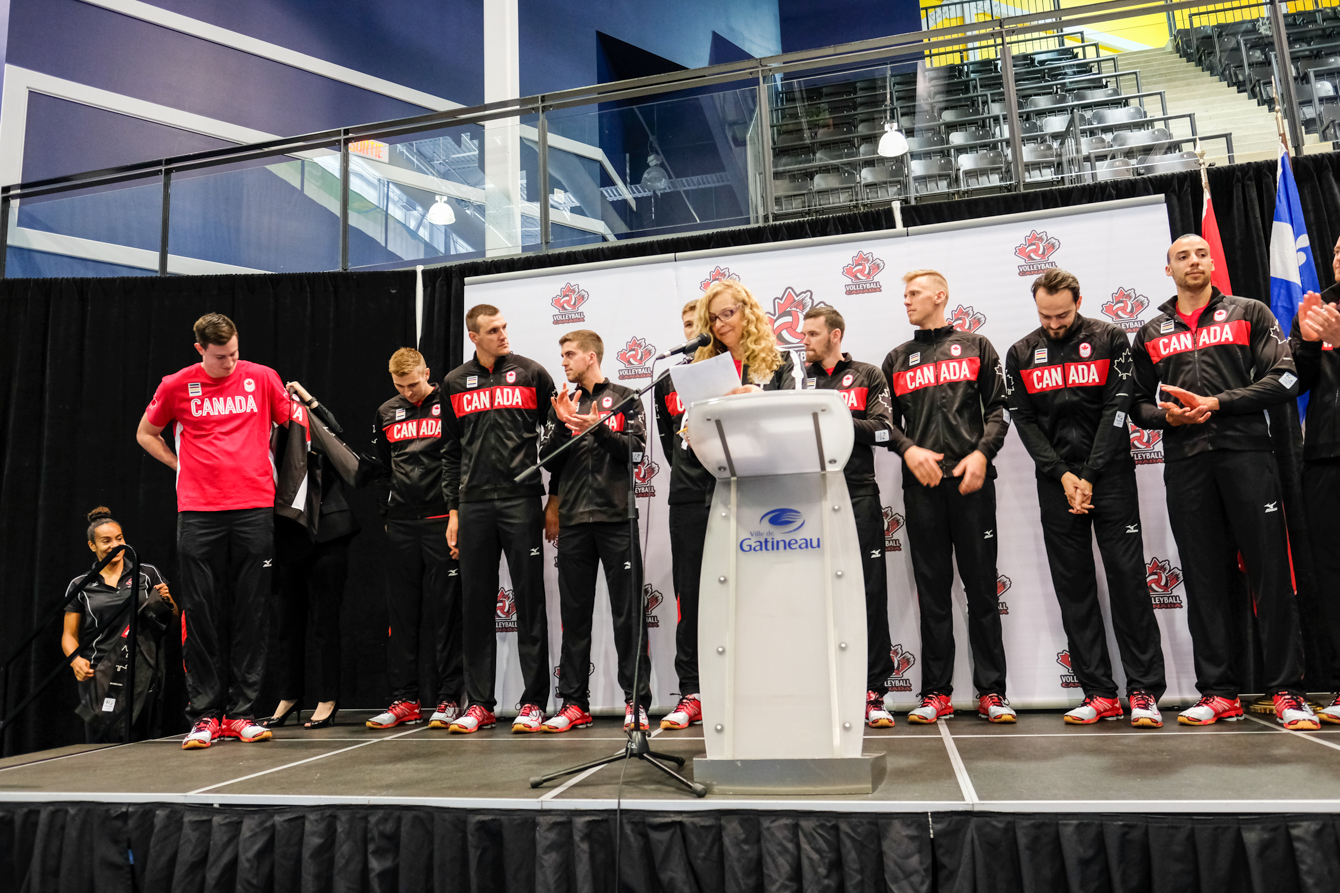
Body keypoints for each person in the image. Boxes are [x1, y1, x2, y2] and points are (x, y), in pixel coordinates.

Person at [1130, 234, 1317, 730]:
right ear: (1167, 269)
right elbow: (1134, 404)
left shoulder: (1250, 312)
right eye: (1181, 256)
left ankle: (1287, 692)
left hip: (1248, 456)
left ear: (1213, 261)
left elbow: (1286, 378)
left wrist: (1216, 403)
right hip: (1186, 464)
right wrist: (1168, 417)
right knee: (1203, 577)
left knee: (1271, 574)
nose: (1193, 261)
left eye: (1200, 254)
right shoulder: (1150, 329)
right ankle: (1218, 693)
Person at [1005, 268, 1166, 728]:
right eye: (1045, 316)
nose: (1054, 324)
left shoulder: (1111, 337)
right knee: (1073, 589)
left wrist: (1090, 474)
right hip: (1057, 485)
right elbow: (1025, 422)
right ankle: (1099, 694)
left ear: (1078, 301)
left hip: (1110, 476)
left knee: (1129, 582)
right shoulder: (1020, 352)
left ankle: (1144, 693)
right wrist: (1062, 475)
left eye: (1062, 315)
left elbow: (1119, 409)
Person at [136, 312, 289, 749]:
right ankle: (205, 715)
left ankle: (242, 714)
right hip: (199, 512)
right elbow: (146, 433)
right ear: (200, 349)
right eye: (221, 356)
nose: (230, 362)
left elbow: (292, 426)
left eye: (235, 353)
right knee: (201, 615)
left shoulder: (261, 377)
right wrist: (179, 464)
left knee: (252, 612)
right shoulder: (176, 384)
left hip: (254, 508)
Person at [881, 270, 1015, 724]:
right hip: (922, 490)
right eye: (904, 295)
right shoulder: (896, 359)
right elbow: (884, 423)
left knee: (981, 590)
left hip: (972, 484)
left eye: (914, 294)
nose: (907, 301)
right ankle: (936, 693)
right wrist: (908, 448)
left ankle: (991, 692)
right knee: (933, 593)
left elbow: (1000, 408)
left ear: (940, 296)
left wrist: (982, 454)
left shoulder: (977, 346)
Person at [443, 305, 557, 733]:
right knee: (475, 606)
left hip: (521, 500)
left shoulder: (531, 374)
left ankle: (533, 702)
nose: (504, 335)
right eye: (494, 330)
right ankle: (480, 704)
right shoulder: (454, 382)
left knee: (529, 602)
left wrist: (556, 497)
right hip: (473, 506)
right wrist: (453, 509)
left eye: (505, 327)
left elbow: (561, 435)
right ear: (475, 336)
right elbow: (450, 453)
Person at [538, 330, 653, 732]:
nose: (564, 361)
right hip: (573, 521)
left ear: (591, 356)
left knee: (628, 616)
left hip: (616, 518)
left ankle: (635, 702)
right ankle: (574, 703)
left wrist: (599, 429)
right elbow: (547, 461)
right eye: (562, 355)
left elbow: (637, 453)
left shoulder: (625, 396)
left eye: (570, 354)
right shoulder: (563, 404)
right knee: (574, 615)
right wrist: (566, 426)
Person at [800, 306, 898, 728]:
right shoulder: (796, 380)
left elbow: (883, 430)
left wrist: (833, 416)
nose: (804, 340)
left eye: (812, 334)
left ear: (835, 336)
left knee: (868, 594)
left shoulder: (868, 375)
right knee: (813, 597)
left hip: (857, 494)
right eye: (803, 333)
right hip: (805, 500)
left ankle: (873, 692)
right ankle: (822, 689)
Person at [361, 348, 463, 731]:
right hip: (402, 524)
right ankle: (405, 698)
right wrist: (387, 515)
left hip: (442, 521)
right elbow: (381, 469)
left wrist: (457, 512)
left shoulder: (448, 404)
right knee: (402, 616)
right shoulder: (387, 412)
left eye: (414, 383)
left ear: (427, 373)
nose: (409, 392)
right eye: (400, 386)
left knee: (446, 613)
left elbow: (458, 459)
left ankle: (449, 697)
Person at [261, 381, 361, 731]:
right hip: (286, 537)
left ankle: (328, 697)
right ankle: (289, 695)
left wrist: (308, 399)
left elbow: (336, 433)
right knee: (287, 625)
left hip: (326, 535)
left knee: (324, 623)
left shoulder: (309, 422)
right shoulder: (264, 429)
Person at [63, 507, 175, 742]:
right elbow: (69, 635)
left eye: (119, 538)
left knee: (144, 742)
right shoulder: (80, 584)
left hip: (143, 670)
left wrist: (167, 601)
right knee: (102, 744)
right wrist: (75, 660)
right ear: (92, 546)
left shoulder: (147, 573)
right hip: (100, 672)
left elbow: (174, 618)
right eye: (106, 541)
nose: (115, 545)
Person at [654, 300, 713, 731]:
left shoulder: (733, 370)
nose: (693, 334)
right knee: (689, 598)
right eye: (687, 326)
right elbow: (668, 439)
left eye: (700, 326)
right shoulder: (666, 382)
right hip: (688, 498)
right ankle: (692, 691)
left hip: (733, 493)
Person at [1292, 236, 1340, 724]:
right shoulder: (1320, 307)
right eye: (1339, 251)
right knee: (1332, 578)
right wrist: (1306, 342)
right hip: (1324, 455)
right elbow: (1298, 383)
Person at [692, 280, 797, 394]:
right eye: (712, 319)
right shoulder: (708, 368)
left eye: (726, 314)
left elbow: (796, 408)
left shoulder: (784, 359)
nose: (718, 324)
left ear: (747, 312)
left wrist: (761, 400)